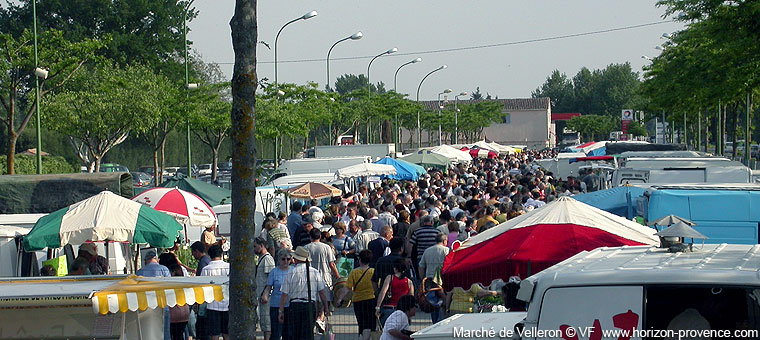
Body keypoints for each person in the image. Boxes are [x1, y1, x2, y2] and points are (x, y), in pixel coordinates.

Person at [278, 247, 330, 340]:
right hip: (309, 305)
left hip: (295, 305)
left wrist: (281, 311)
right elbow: (322, 292)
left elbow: (284, 294)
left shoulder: (291, 273)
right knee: (308, 334)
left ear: (296, 259)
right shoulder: (315, 272)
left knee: (295, 334)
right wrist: (325, 307)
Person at [342, 250, 376, 340]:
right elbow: (377, 285)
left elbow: (347, 287)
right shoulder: (373, 272)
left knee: (362, 322)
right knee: (370, 322)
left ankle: (364, 337)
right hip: (371, 299)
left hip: (358, 300)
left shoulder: (354, 272)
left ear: (359, 260)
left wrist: (339, 299)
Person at [199, 245, 230, 340]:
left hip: (212, 304)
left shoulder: (206, 269)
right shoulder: (229, 267)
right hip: (228, 304)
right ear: (221, 254)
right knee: (227, 333)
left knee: (214, 334)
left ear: (209, 255)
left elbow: (202, 288)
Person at [261, 249, 292, 340]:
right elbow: (268, 287)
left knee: (289, 332)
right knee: (276, 332)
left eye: (288, 259)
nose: (286, 261)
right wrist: (265, 295)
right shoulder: (274, 272)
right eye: (283, 259)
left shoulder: (294, 271)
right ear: (279, 260)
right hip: (276, 305)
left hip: (290, 305)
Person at [304, 229, 339, 308]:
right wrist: (338, 277)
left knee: (314, 299)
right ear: (320, 236)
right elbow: (332, 264)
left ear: (310, 237)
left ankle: (317, 316)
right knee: (325, 299)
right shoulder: (326, 247)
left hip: (310, 277)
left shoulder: (306, 248)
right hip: (325, 276)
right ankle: (322, 316)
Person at [418, 232, 449, 323]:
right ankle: (440, 321)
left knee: (432, 302)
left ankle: (434, 321)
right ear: (444, 241)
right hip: (442, 280)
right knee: (442, 302)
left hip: (429, 280)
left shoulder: (427, 250)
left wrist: (423, 278)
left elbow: (421, 266)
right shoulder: (446, 250)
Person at [375, 259, 414, 327]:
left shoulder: (390, 278)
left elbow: (383, 292)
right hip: (403, 311)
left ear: (395, 269)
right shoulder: (409, 282)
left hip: (389, 309)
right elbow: (411, 298)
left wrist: (378, 307)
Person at [251, 237, 275, 340]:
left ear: (262, 246)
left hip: (266, 296)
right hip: (261, 294)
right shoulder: (261, 258)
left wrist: (266, 293)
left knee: (266, 321)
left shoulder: (267, 259)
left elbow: (271, 278)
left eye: (255, 246)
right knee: (263, 322)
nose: (254, 249)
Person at [168, 265, 190, 340]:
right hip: (185, 313)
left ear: (173, 273)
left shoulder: (170, 285)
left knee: (174, 335)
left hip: (174, 314)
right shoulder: (184, 283)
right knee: (180, 335)